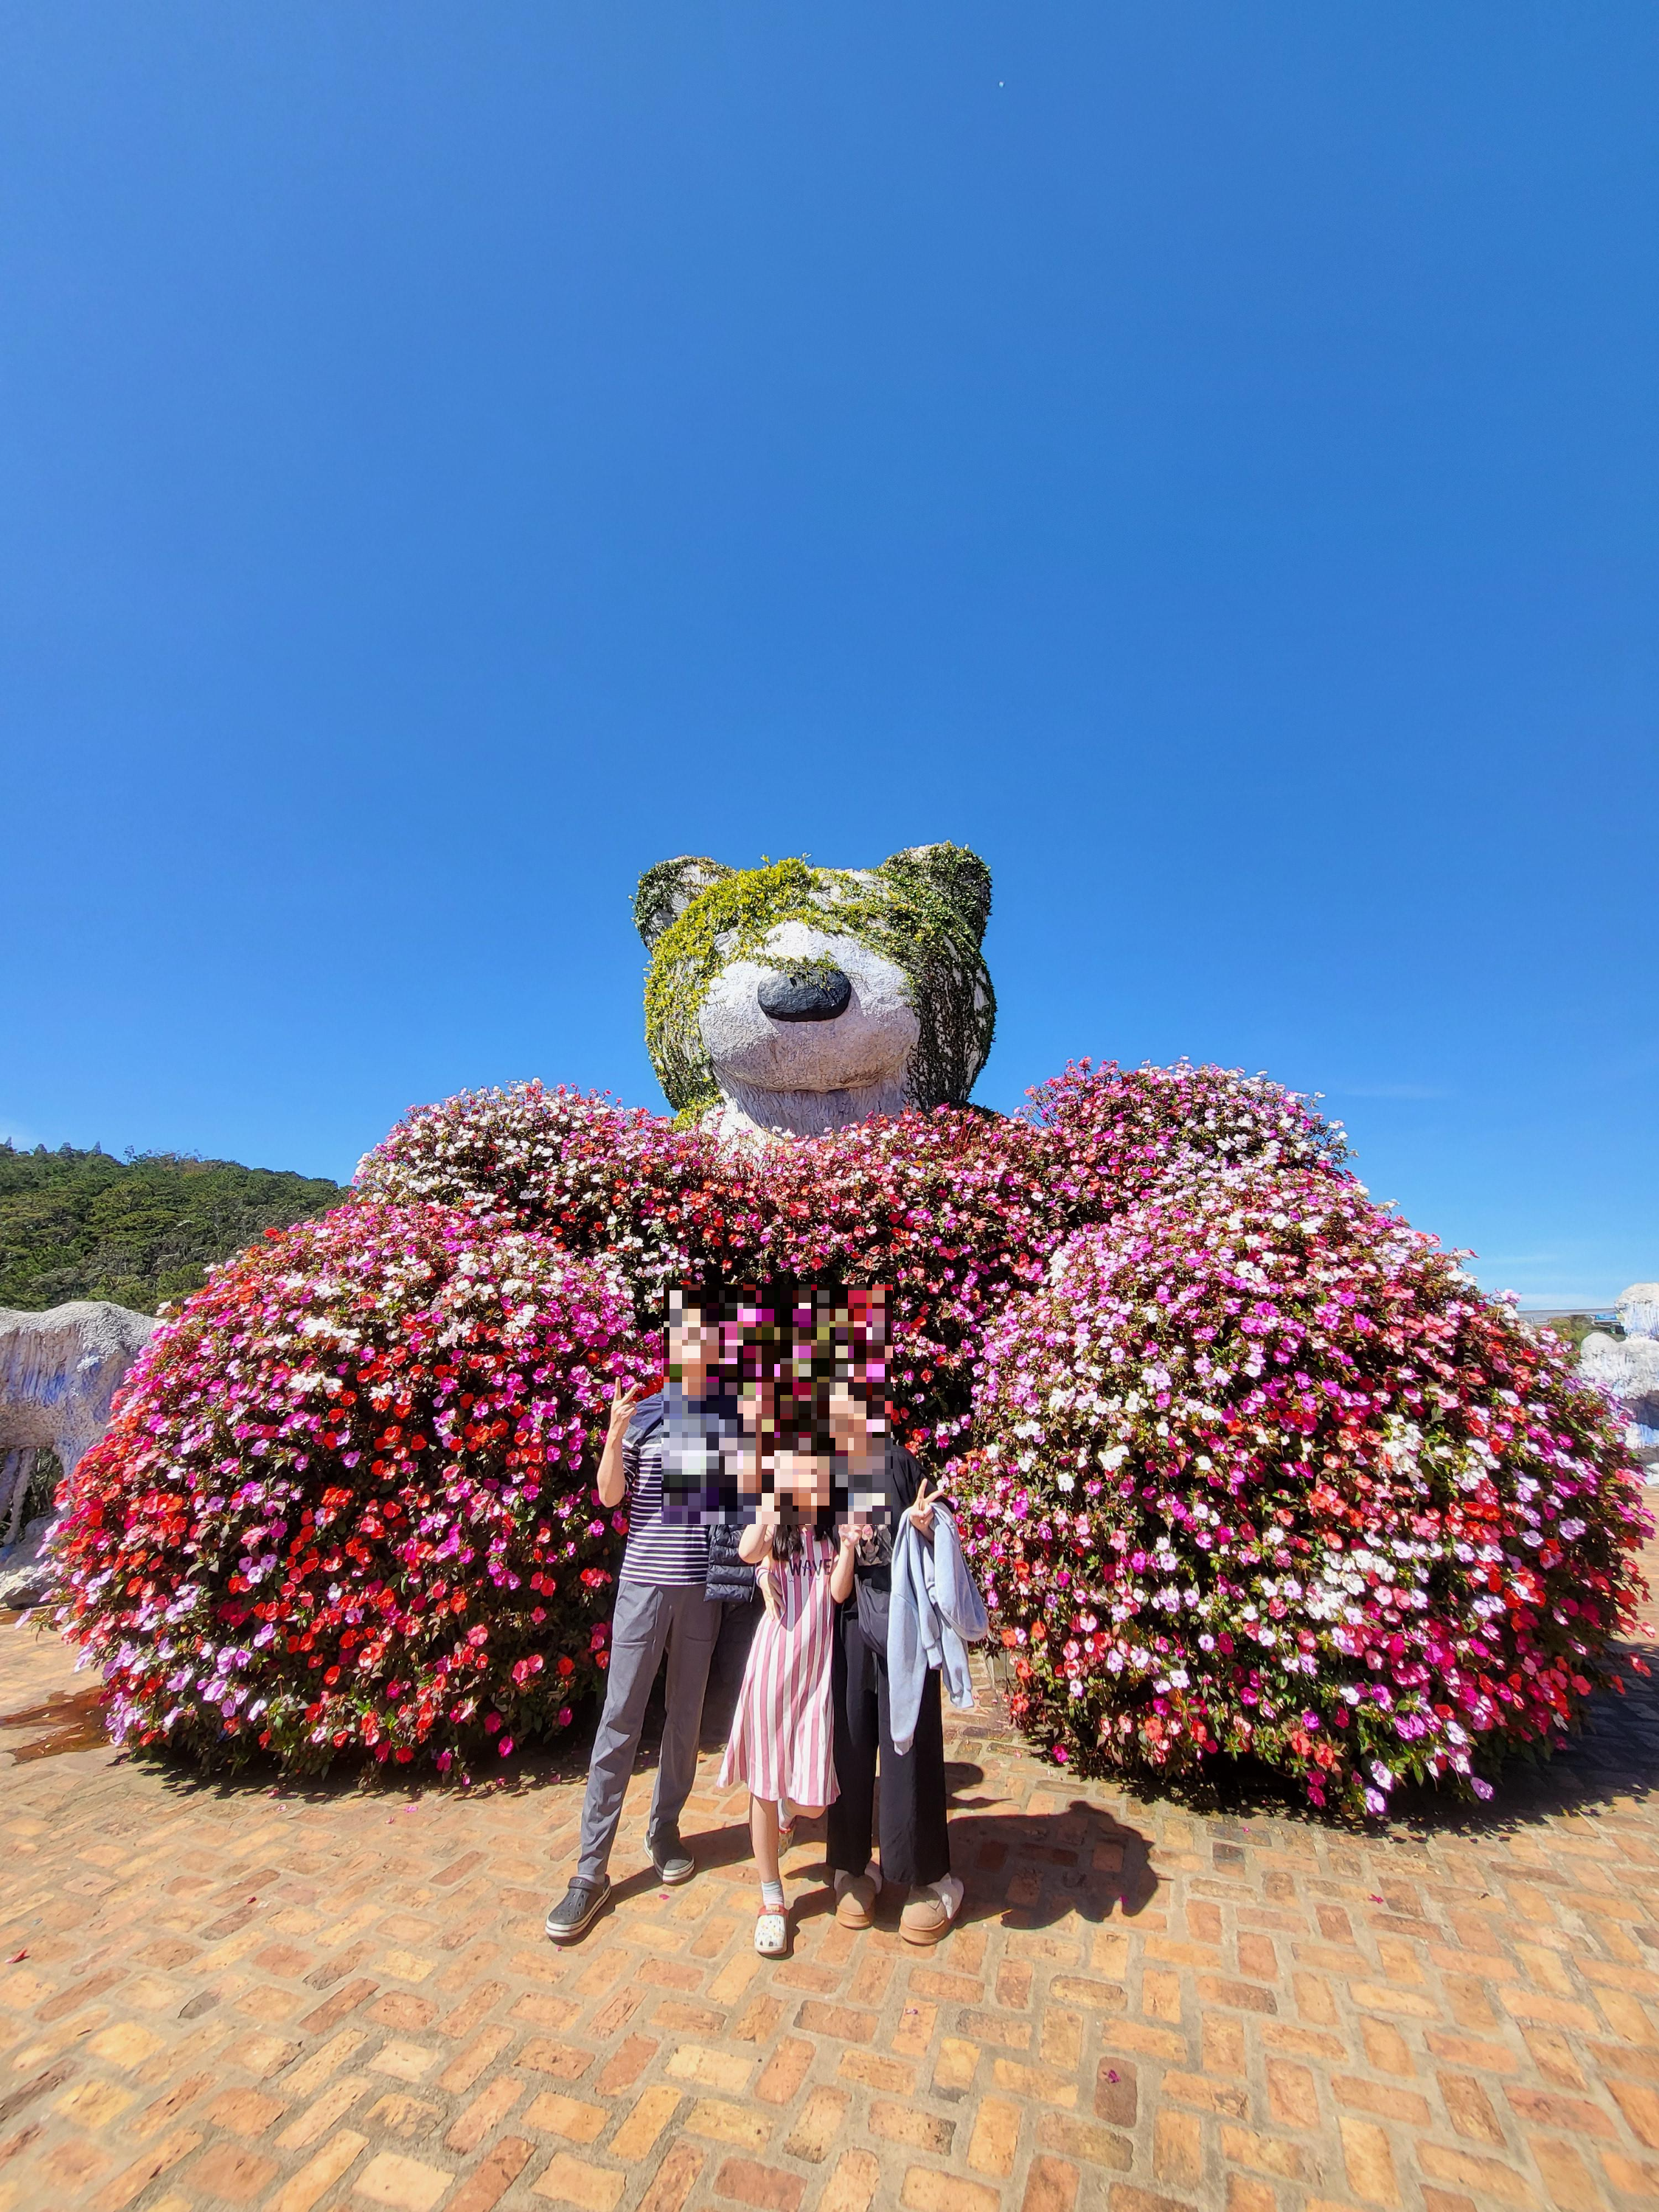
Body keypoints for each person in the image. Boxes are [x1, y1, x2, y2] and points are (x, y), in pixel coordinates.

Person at [543, 1354, 723, 1944]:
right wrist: (613, 1437)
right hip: (644, 1588)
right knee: (619, 1721)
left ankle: (664, 1829)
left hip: (701, 1589)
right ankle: (589, 1872)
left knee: (686, 1718)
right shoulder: (642, 1415)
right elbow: (608, 1496)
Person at [718, 1445, 858, 1956]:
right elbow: (746, 1551)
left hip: (817, 1670)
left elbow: (839, 1594)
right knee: (764, 1781)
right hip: (774, 1665)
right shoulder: (776, 1522)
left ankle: (785, 1819)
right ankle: (772, 1899)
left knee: (815, 1797)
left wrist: (846, 1549)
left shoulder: (830, 1526)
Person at [827, 1433, 965, 1947]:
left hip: (904, 1619)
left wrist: (930, 1526)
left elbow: (937, 1512)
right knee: (853, 1739)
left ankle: (931, 1876)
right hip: (848, 1621)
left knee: (909, 1743)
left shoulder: (899, 1462)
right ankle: (852, 1864)